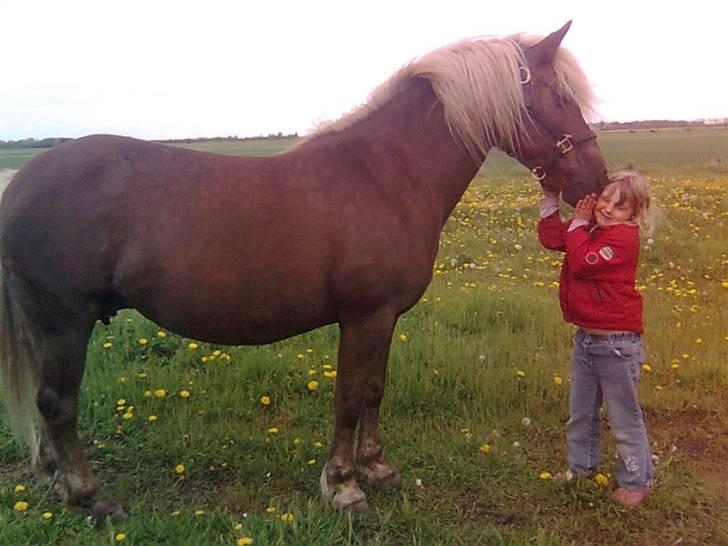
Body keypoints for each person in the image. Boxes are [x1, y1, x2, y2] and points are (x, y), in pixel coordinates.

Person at [538, 171, 653, 507]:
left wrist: (579, 223)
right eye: (605, 198)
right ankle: (581, 467)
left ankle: (636, 482)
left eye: (619, 206)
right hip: (587, 340)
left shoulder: (622, 239)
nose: (607, 208)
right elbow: (552, 238)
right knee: (581, 412)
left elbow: (582, 261)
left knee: (623, 418)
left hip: (617, 345)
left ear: (633, 215)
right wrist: (549, 200)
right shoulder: (590, 229)